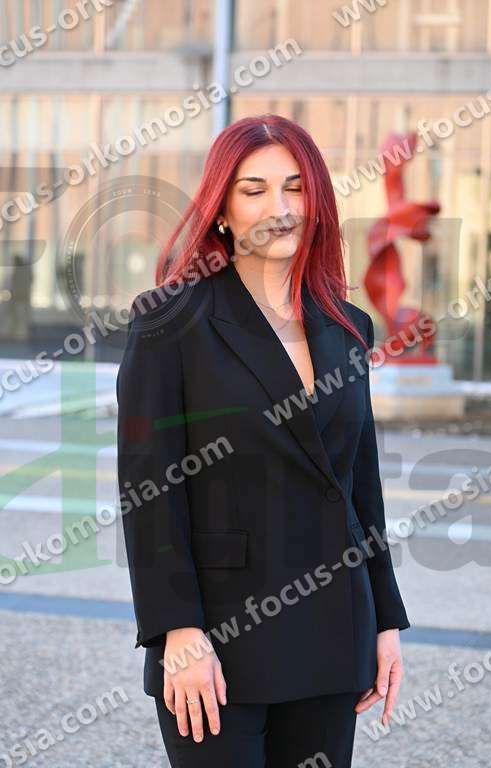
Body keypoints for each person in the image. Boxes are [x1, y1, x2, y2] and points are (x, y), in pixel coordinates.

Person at [116, 114, 411, 767]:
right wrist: (177, 631)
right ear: (221, 210)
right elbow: (149, 494)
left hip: (334, 630)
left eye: (296, 188)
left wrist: (386, 620)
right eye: (254, 190)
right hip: (219, 640)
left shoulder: (349, 325)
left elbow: (361, 487)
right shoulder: (168, 322)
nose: (280, 208)